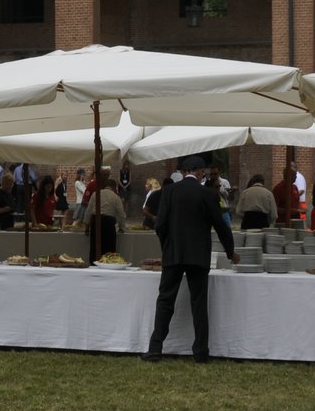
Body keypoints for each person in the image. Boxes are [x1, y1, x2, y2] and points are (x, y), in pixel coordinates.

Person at [144, 156, 235, 364]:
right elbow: (221, 226)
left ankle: (155, 348)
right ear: (200, 172)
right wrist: (231, 252)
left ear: (184, 172)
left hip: (173, 254)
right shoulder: (207, 194)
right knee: (199, 304)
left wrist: (166, 248)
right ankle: (201, 352)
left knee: (165, 300)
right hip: (198, 255)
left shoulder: (169, 192)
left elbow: (160, 226)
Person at [83, 166, 129, 262]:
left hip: (96, 221)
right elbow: (121, 214)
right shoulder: (115, 197)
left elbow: (89, 211)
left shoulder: (96, 194)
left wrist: (87, 226)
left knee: (95, 247)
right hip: (109, 222)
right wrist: (122, 227)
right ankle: (108, 264)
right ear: (114, 187)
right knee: (109, 247)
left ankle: (93, 264)